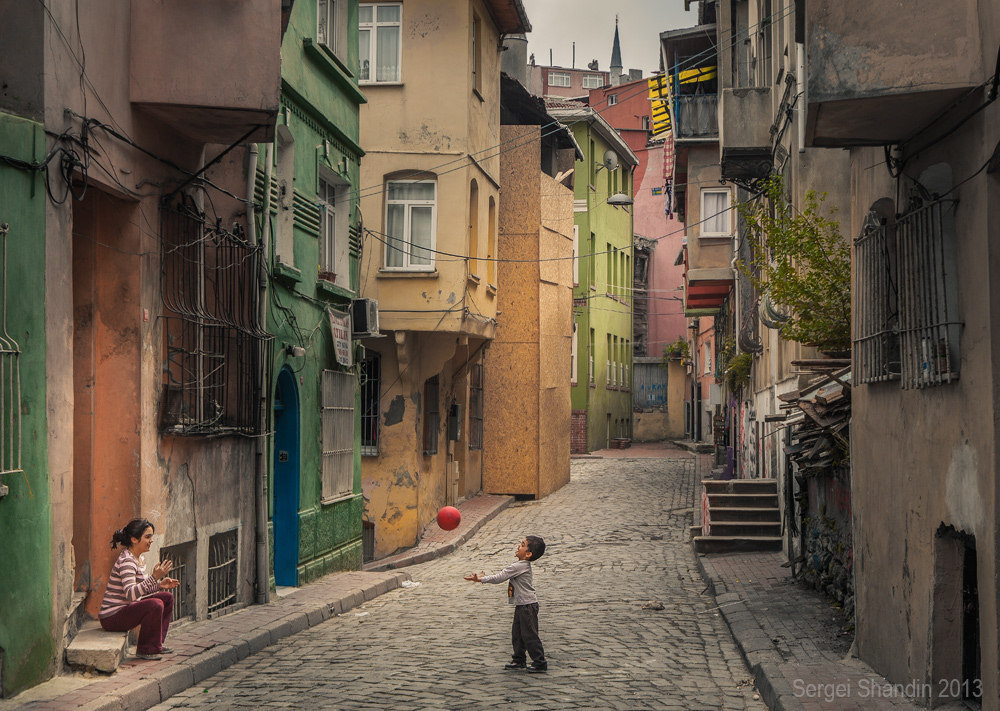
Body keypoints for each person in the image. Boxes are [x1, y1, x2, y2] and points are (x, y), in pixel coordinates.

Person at [99, 518, 179, 660]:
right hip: (112, 617)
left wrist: (160, 585)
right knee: (155, 605)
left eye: (151, 537)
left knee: (167, 598)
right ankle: (146, 649)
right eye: (147, 537)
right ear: (134, 539)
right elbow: (131, 594)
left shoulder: (138, 558)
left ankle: (156, 644)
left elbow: (140, 590)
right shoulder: (127, 561)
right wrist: (154, 577)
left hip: (128, 607)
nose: (151, 540)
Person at [465, 535, 547, 673]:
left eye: (522, 544)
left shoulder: (518, 566)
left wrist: (480, 579)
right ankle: (518, 660)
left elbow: (499, 578)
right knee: (518, 634)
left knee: (529, 635)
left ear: (528, 554)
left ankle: (540, 662)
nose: (518, 546)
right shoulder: (522, 565)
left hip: (527, 606)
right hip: (523, 605)